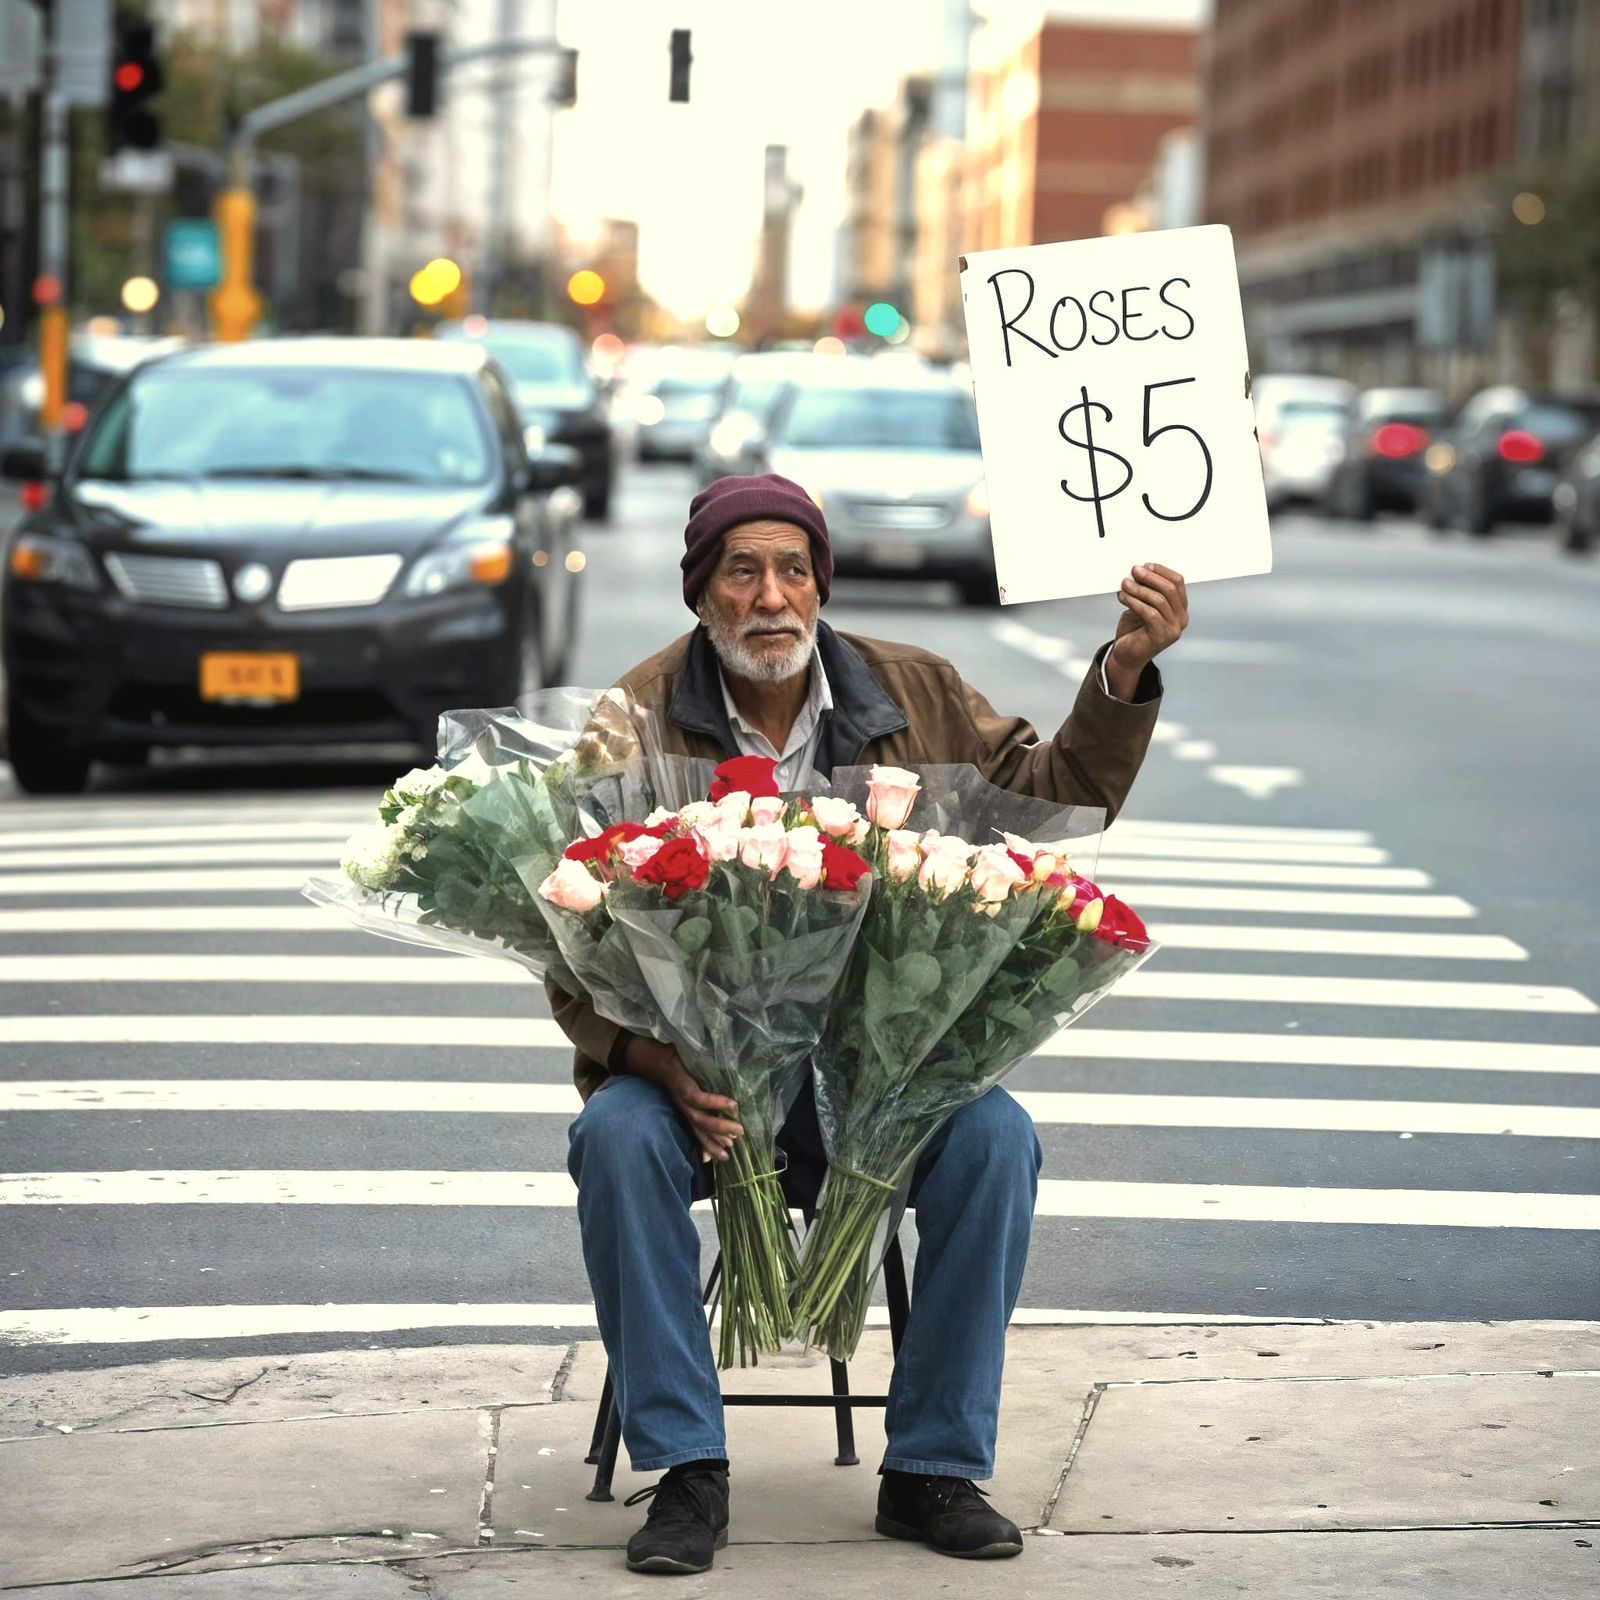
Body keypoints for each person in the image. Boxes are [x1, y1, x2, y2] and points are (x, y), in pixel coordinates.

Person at [555, 472, 1188, 1574]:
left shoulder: (915, 692)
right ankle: (686, 1469)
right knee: (612, 1138)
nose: (770, 596)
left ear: (820, 586)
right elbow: (564, 932)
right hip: (701, 1088)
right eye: (741, 571)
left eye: (792, 570)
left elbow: (1056, 796)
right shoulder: (635, 717)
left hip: (885, 1078)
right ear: (701, 593)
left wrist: (1121, 668)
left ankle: (933, 1468)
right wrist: (648, 1060)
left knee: (997, 1137)